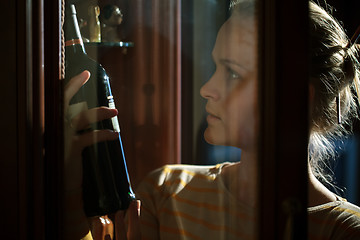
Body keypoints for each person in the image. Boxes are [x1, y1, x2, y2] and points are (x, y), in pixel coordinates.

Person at [64, 0, 360, 239]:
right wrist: (70, 193)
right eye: (216, 66)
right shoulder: (167, 194)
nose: (206, 89)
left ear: (292, 98)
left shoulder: (343, 230)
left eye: (231, 72)